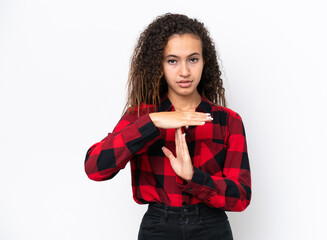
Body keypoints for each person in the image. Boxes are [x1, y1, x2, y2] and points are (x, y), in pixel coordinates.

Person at [84, 13, 251, 240]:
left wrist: (195, 178)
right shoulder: (141, 116)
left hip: (212, 228)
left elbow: (240, 197)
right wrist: (152, 123)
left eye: (193, 59)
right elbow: (95, 168)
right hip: (158, 228)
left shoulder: (228, 120)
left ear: (204, 62)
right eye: (172, 60)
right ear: (159, 65)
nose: (184, 71)